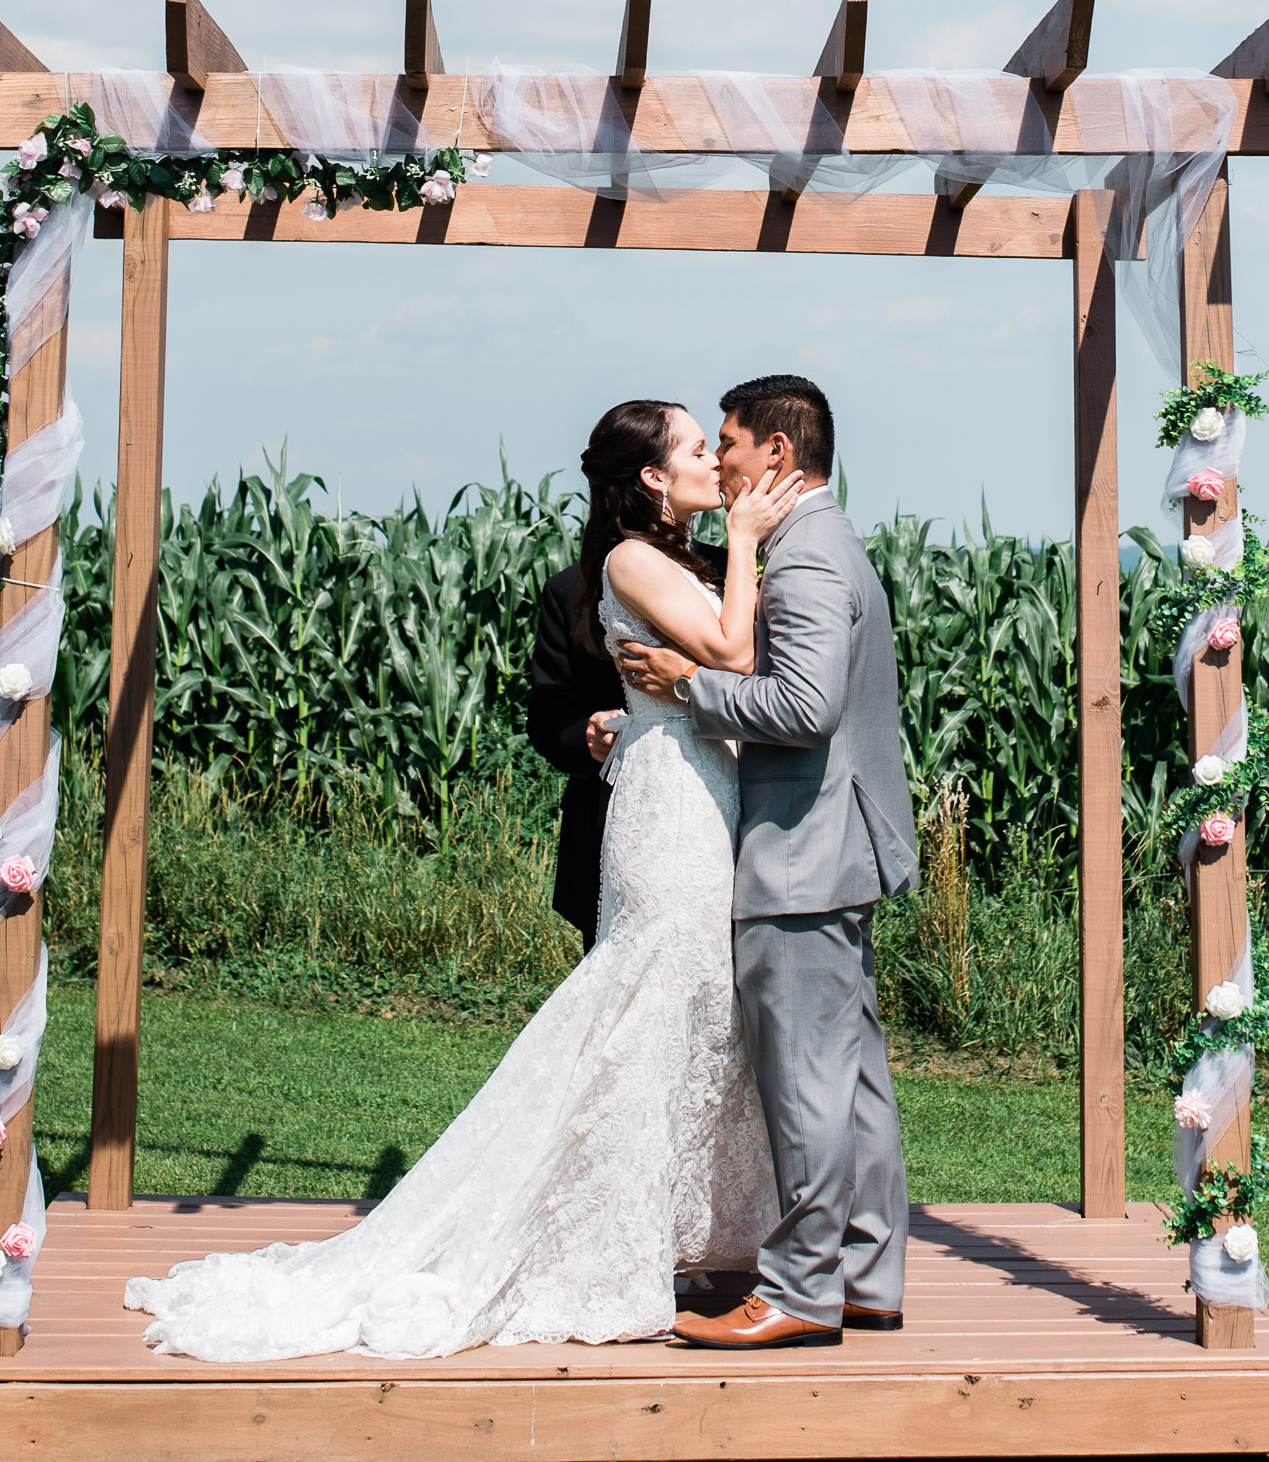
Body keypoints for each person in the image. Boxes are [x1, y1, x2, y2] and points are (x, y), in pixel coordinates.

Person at [124, 400, 798, 1361]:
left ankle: (681, 1234)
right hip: (670, 815)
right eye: (697, 448)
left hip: (703, 797)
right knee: (643, 1012)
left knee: (694, 1012)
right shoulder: (628, 560)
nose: (711, 461)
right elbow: (731, 653)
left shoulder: (674, 563)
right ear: (652, 478)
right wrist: (741, 544)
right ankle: (600, 1242)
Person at [619, 375, 918, 1351]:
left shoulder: (803, 557)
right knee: (855, 1081)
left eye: (735, 444)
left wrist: (692, 685)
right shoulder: (821, 542)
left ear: (778, 454)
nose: (725, 463)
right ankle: (866, 1276)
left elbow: (802, 706)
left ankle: (797, 1289)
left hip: (804, 856)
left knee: (808, 1086)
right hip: (837, 849)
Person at [526, 563, 626, 953]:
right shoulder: (570, 589)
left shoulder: (723, 571)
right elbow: (548, 713)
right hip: (605, 825)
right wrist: (586, 734)